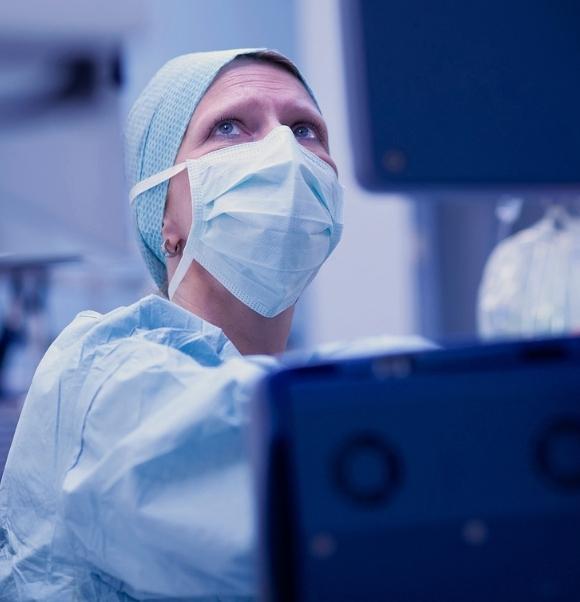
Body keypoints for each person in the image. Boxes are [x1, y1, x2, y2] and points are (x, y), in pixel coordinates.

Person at [0, 48, 428, 601]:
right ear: (164, 216)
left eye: (305, 130)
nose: (284, 153)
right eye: (229, 128)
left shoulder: (277, 379)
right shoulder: (106, 375)